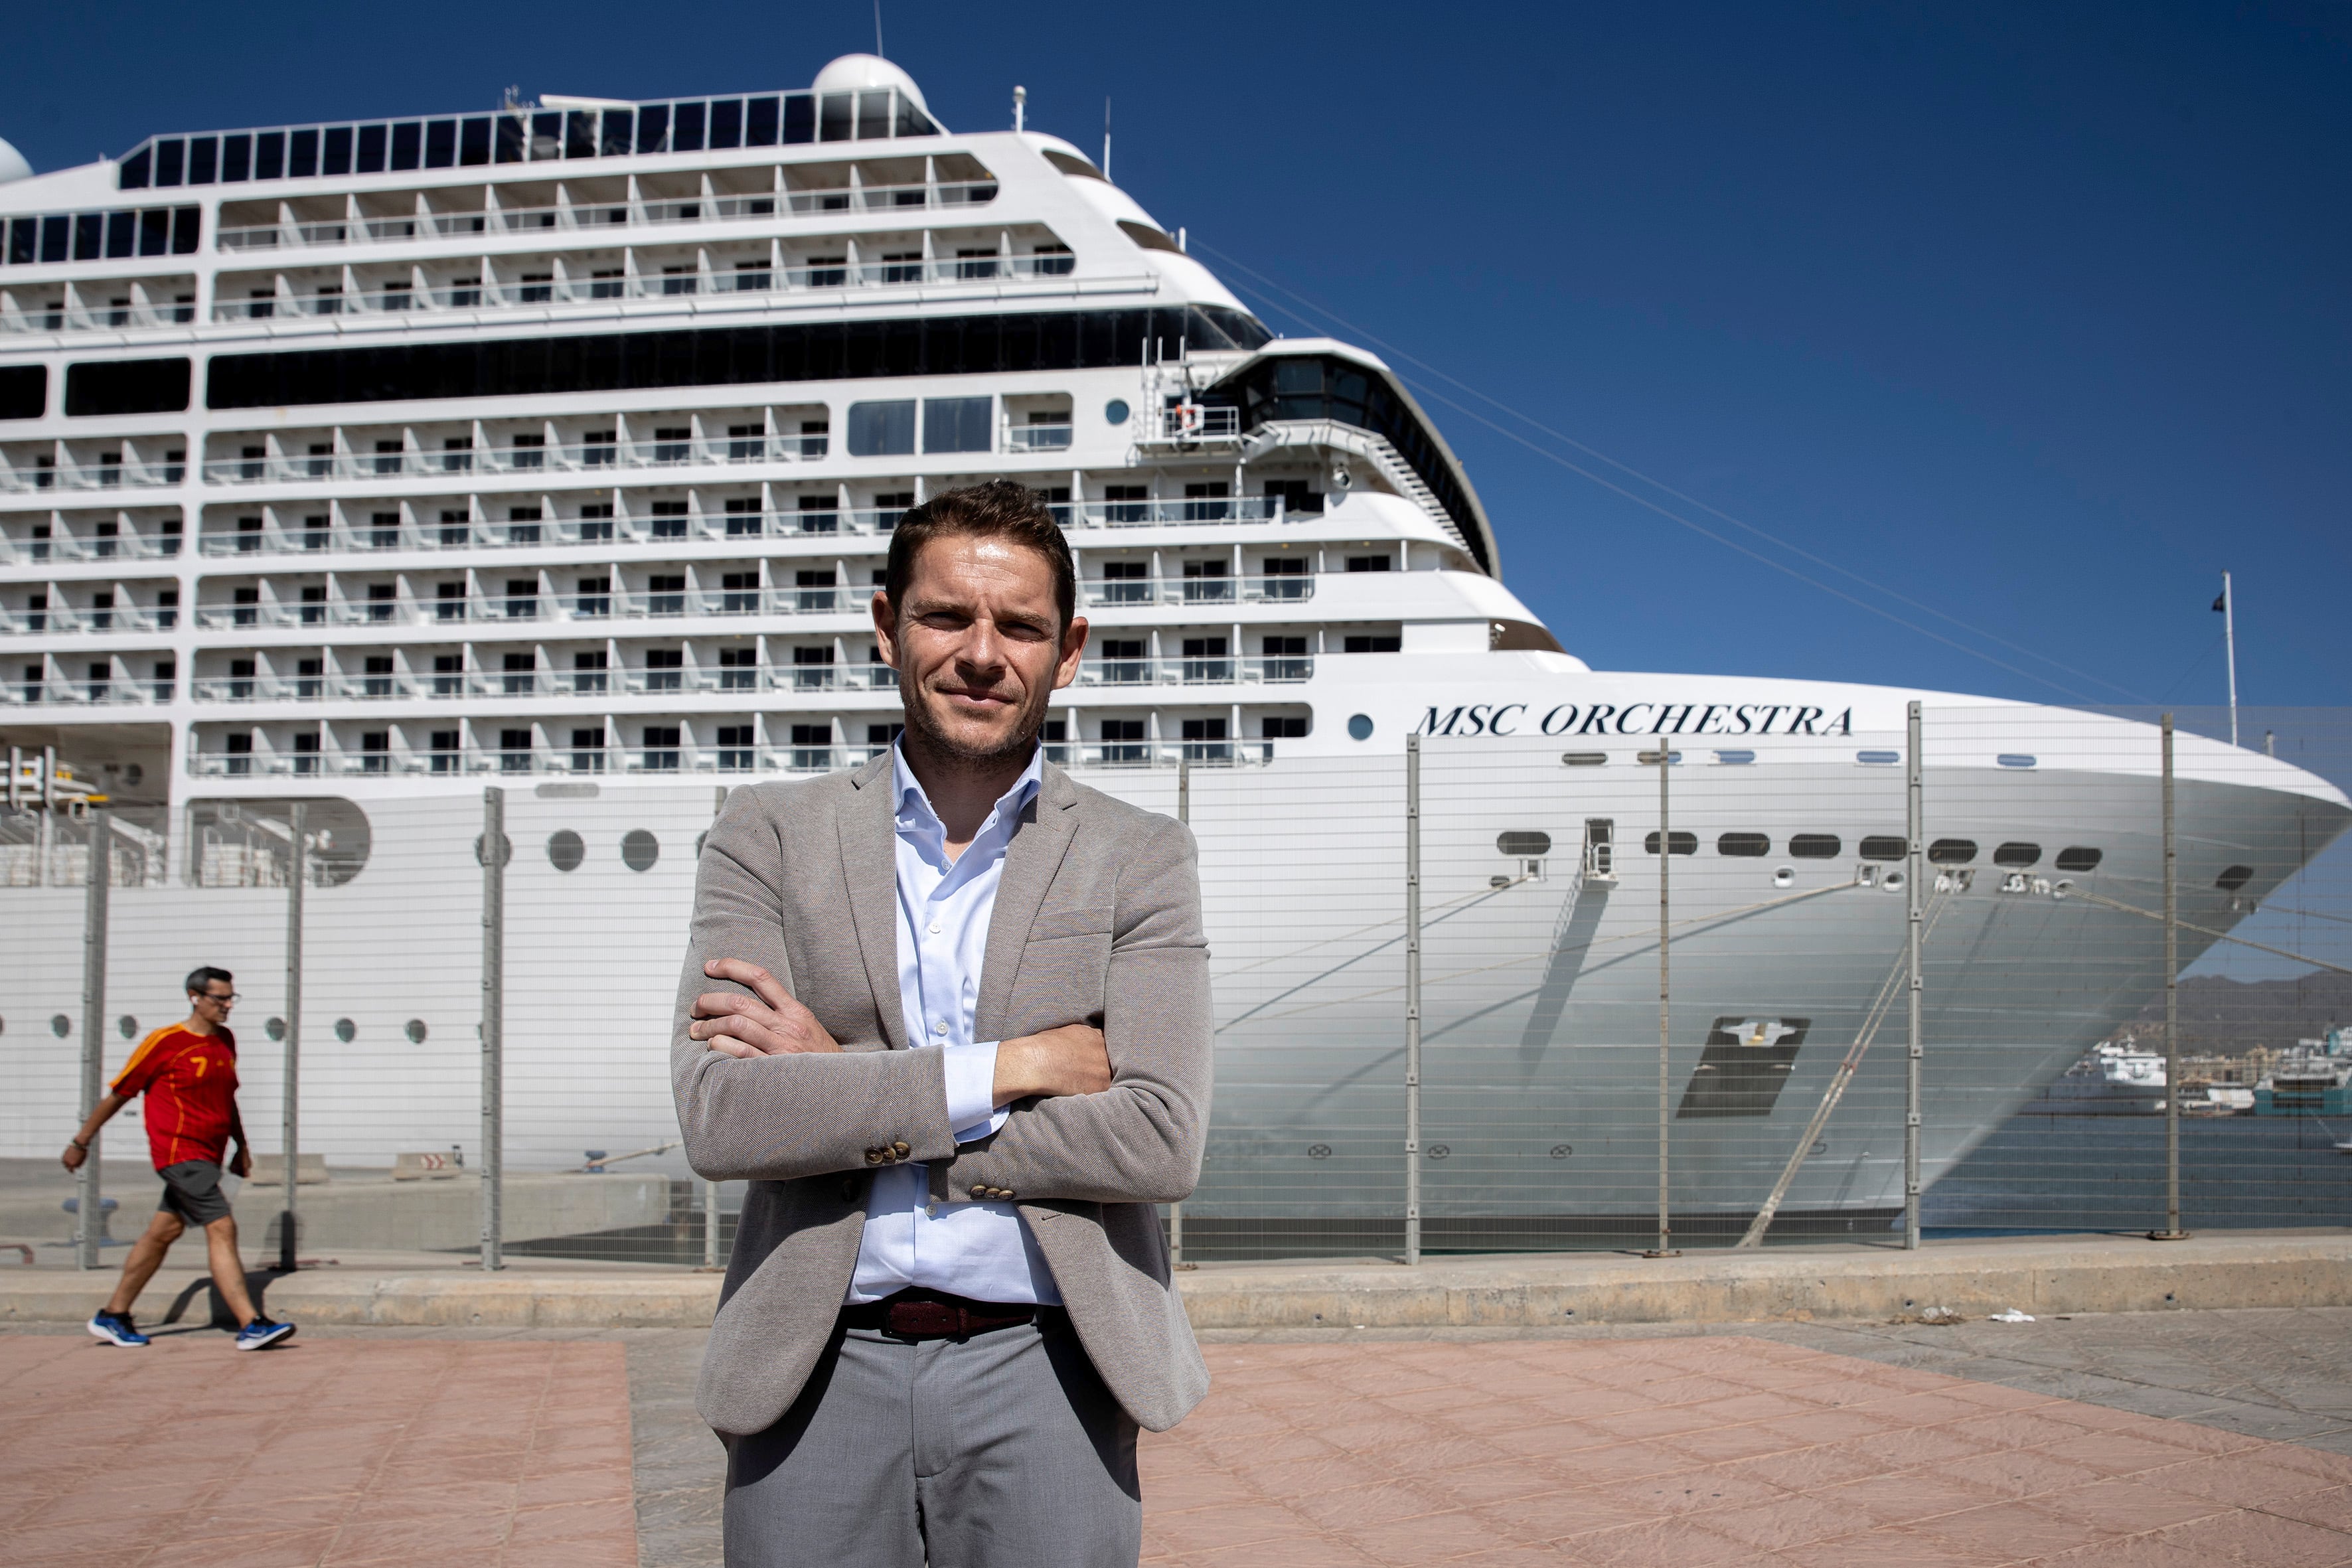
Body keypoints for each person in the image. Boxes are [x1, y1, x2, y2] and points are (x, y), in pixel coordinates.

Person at [674, 479, 1212, 1567]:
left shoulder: (1138, 855)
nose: (981, 652)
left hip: (1049, 1365)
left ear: (1067, 651)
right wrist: (1011, 1068)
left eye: (1019, 625)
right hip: (813, 1367)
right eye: (944, 615)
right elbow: (724, 1118)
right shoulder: (767, 834)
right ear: (886, 625)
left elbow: (1159, 1138)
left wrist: (841, 1080)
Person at [61, 966, 296, 1351]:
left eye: (230, 998)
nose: (226, 1006)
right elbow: (121, 1093)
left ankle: (113, 1315)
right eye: (219, 998)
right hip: (178, 1152)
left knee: (163, 1233)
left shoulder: (225, 1041)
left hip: (210, 1154)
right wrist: (81, 1141)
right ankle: (251, 1324)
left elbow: (226, 1099)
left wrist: (241, 1146)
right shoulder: (165, 1042)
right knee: (221, 1226)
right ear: (195, 997)